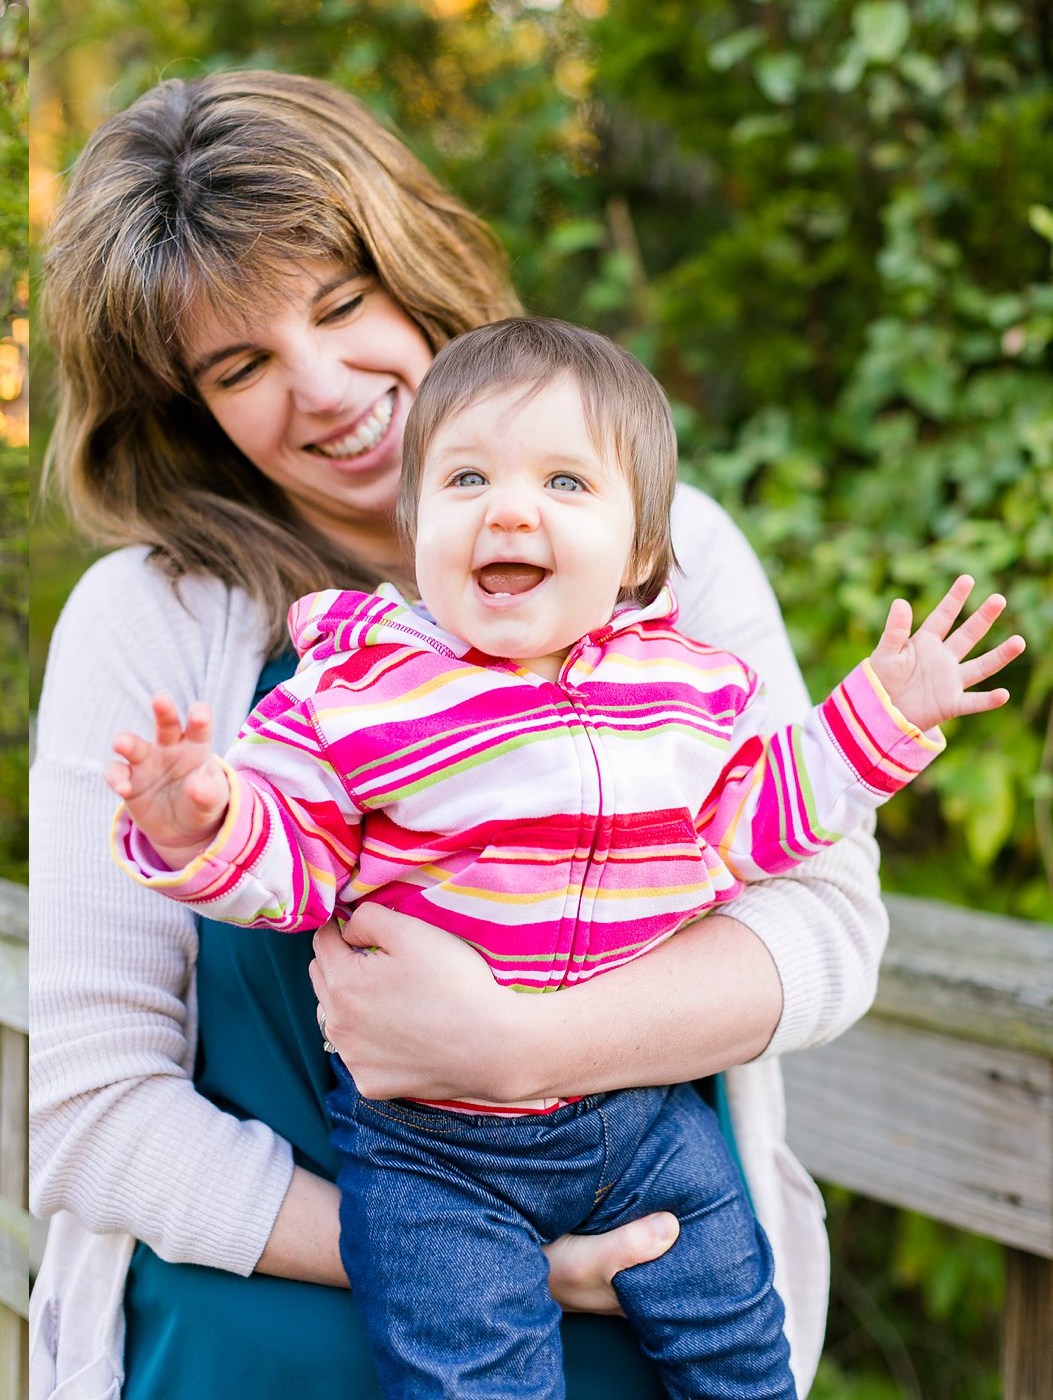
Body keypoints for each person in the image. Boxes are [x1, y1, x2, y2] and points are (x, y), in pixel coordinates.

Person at [30, 70, 891, 1399]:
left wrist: (521, 1052)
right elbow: (92, 1119)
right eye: (241, 364)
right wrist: (494, 1263)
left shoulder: (669, 553)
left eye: (340, 305)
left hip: (648, 1323)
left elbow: (824, 925)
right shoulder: (143, 627)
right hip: (264, 1349)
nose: (324, 389)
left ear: (412, 268)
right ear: (182, 404)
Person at [104, 317, 1021, 1398]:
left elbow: (762, 819)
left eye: (563, 486)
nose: (507, 508)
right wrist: (200, 824)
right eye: (465, 480)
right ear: (414, 529)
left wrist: (877, 717)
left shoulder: (685, 690)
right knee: (470, 1371)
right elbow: (291, 861)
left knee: (737, 1346)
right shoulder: (356, 694)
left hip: (642, 1119)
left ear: (639, 551)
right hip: (427, 1151)